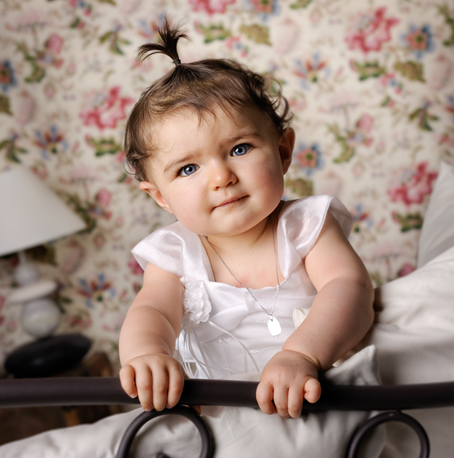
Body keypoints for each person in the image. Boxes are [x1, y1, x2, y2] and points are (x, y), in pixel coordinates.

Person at [119, 18, 374, 420]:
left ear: (283, 150)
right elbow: (152, 312)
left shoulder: (306, 226)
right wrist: (147, 355)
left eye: (239, 149)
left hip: (315, 397)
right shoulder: (175, 254)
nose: (221, 177)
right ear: (160, 197)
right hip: (220, 414)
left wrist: (301, 354)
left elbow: (352, 290)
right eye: (188, 169)